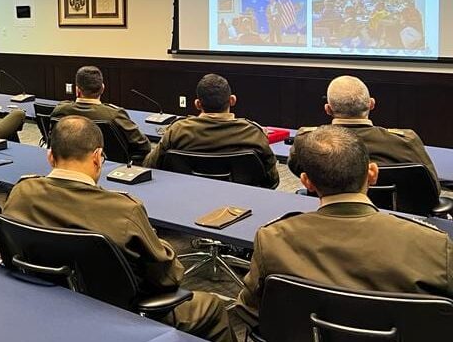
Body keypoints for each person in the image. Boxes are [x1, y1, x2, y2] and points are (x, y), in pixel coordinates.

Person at [3, 116, 235, 342]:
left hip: (43, 304)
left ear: (50, 157)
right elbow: (167, 277)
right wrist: (159, 243)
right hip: (120, 315)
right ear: (96, 158)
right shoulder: (123, 209)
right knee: (212, 307)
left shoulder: (21, 193)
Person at [236, 125, 453, 327]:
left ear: (306, 182)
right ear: (373, 174)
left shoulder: (272, 239)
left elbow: (250, 310)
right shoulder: (435, 245)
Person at [288, 75, 440, 192]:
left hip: (327, 213)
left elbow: (298, 170)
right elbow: (433, 187)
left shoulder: (306, 140)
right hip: (399, 216)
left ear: (328, 109)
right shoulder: (405, 141)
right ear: (371, 104)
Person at [143, 74, 279, 188]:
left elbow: (150, 165)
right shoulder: (253, 133)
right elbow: (272, 180)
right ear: (232, 100)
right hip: (241, 206)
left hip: (184, 195)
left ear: (197, 104)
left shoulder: (177, 131)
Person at [51, 66, 151, 160]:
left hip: (68, 162)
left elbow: (52, 140)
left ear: (77, 90)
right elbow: (144, 146)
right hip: (112, 165)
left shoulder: (60, 111)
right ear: (102, 89)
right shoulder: (114, 115)